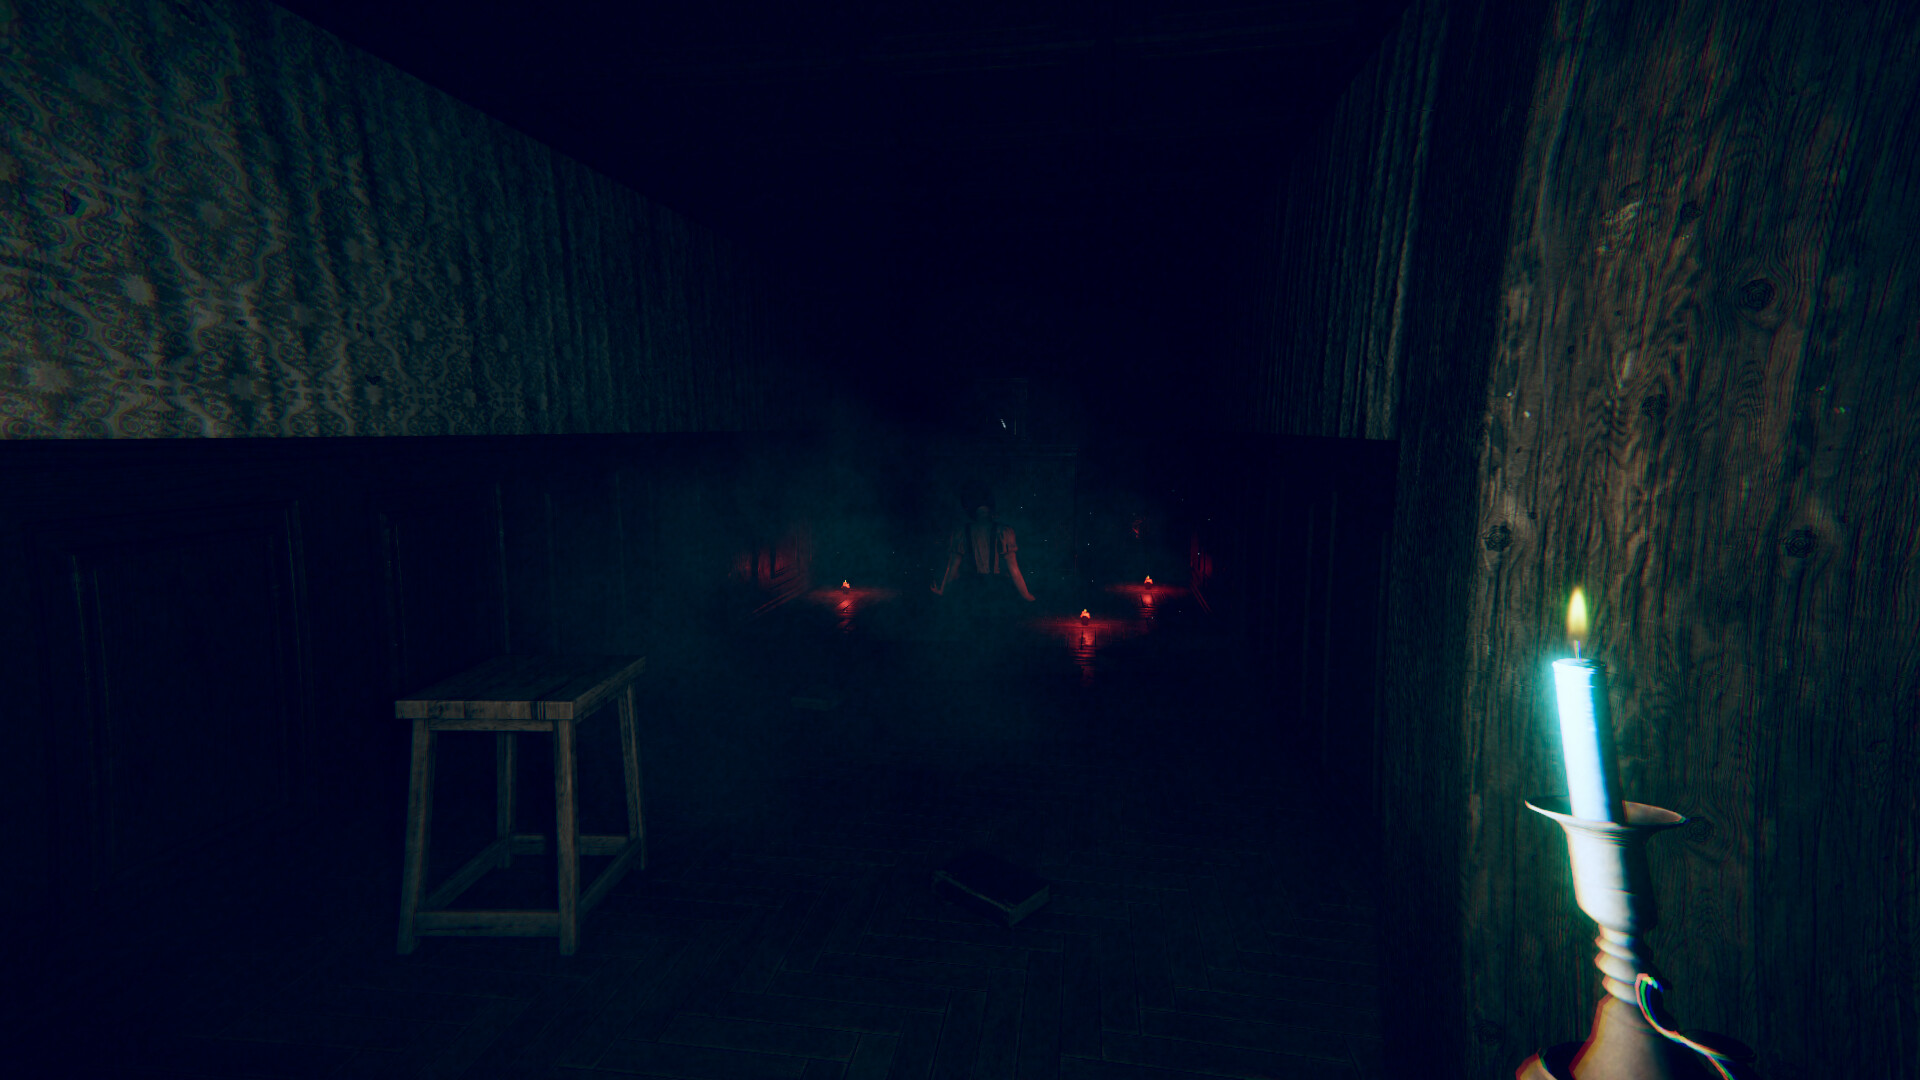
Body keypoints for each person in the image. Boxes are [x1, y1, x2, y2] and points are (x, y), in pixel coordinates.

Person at [931, 485, 1036, 605]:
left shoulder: (961, 533)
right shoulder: (1002, 531)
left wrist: (943, 591)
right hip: (995, 588)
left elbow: (952, 567)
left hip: (971, 589)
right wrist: (1026, 595)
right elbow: (1013, 569)